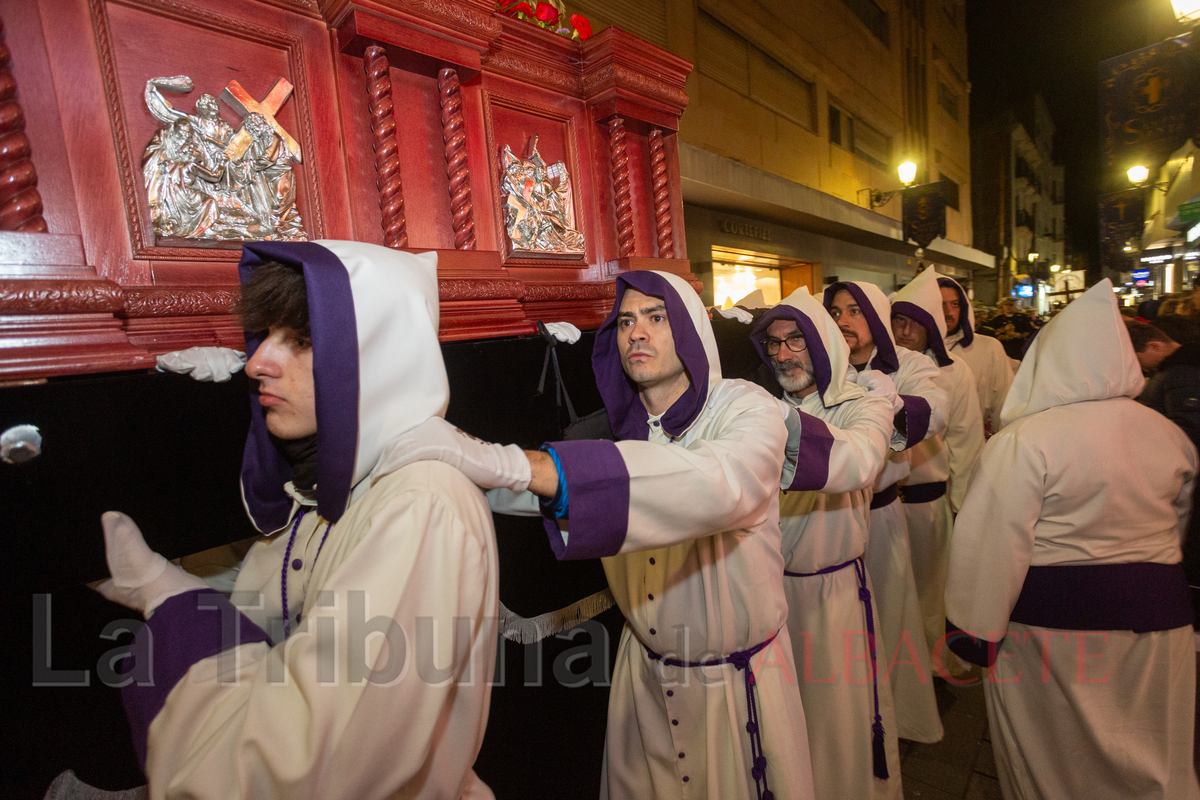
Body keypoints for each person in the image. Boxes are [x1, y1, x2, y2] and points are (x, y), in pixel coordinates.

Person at [381, 269, 816, 800]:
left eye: (656, 318)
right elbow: (531, 489)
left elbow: (719, 484)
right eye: (626, 321)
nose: (637, 332)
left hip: (733, 687)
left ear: (691, 329)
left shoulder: (745, 409)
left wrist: (511, 466)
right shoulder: (608, 433)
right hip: (644, 682)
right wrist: (444, 463)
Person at [93, 241, 499, 799]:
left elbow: (305, 767)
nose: (257, 362)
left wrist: (171, 605)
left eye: (301, 341)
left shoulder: (420, 503)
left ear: (377, 356)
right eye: (267, 334)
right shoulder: (323, 482)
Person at [945, 279, 1200, 800]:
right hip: (1162, 622)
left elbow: (993, 545)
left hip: (1055, 629)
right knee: (1153, 749)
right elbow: (1177, 525)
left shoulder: (1026, 441)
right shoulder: (1166, 432)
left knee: (1056, 757)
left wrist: (972, 634)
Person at [751, 287, 902, 800]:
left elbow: (859, 459)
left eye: (795, 340)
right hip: (769, 600)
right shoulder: (757, 409)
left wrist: (764, 416)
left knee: (835, 727)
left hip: (833, 595)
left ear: (821, 345)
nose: (782, 355)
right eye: (772, 344)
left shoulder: (863, 406)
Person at [823, 280, 948, 744]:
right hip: (829, 522)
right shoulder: (820, 365)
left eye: (855, 310)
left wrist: (877, 401)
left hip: (880, 516)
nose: (843, 320)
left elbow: (936, 410)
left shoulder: (910, 365)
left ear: (876, 317)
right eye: (835, 311)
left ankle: (895, 722)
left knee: (890, 622)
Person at [890, 267, 984, 664]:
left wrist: (964, 507)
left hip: (928, 504)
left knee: (930, 592)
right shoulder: (871, 367)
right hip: (879, 506)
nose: (906, 330)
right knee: (889, 594)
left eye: (916, 322)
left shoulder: (954, 373)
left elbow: (965, 441)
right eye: (899, 319)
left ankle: (929, 668)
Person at [938, 276, 1013, 436]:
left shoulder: (988, 348)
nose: (948, 312)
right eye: (941, 303)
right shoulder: (912, 348)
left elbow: (1004, 406)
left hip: (971, 448)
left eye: (954, 304)